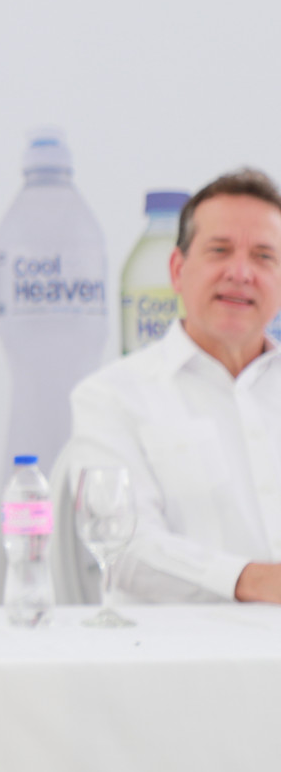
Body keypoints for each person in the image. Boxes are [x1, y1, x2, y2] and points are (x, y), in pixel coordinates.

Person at [59, 168, 281, 603]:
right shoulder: (109, 397)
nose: (241, 273)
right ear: (178, 270)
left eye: (263, 257)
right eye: (220, 251)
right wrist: (253, 581)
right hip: (176, 644)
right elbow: (124, 548)